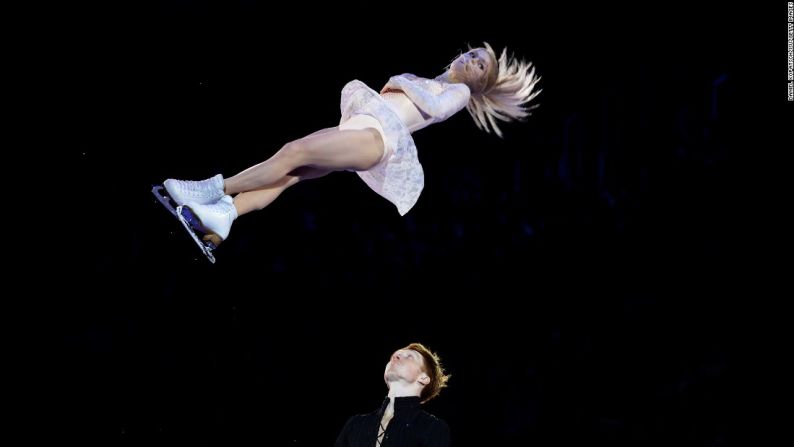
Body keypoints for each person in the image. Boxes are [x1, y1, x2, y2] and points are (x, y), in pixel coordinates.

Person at [153, 42, 541, 260]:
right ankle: (223, 219)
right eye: (473, 53)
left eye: (480, 64)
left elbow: (435, 109)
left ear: (480, 81)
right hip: (362, 128)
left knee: (292, 152)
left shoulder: (456, 92)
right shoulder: (432, 80)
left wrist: (402, 83)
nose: (471, 60)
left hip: (376, 139)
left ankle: (210, 189)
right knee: (290, 173)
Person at [334, 343, 451, 447]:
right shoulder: (355, 425)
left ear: (423, 378)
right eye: (394, 356)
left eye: (409, 357)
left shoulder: (433, 428)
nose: (395, 357)